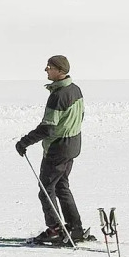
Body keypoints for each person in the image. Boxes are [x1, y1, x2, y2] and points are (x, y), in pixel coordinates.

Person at [14, 55, 92, 245]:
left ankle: (56, 229)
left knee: (46, 189)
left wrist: (24, 142)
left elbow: (48, 127)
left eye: (49, 67)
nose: (46, 70)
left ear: (59, 70)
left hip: (58, 148)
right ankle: (75, 227)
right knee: (61, 186)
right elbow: (81, 115)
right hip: (73, 144)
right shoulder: (75, 89)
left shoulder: (58, 95)